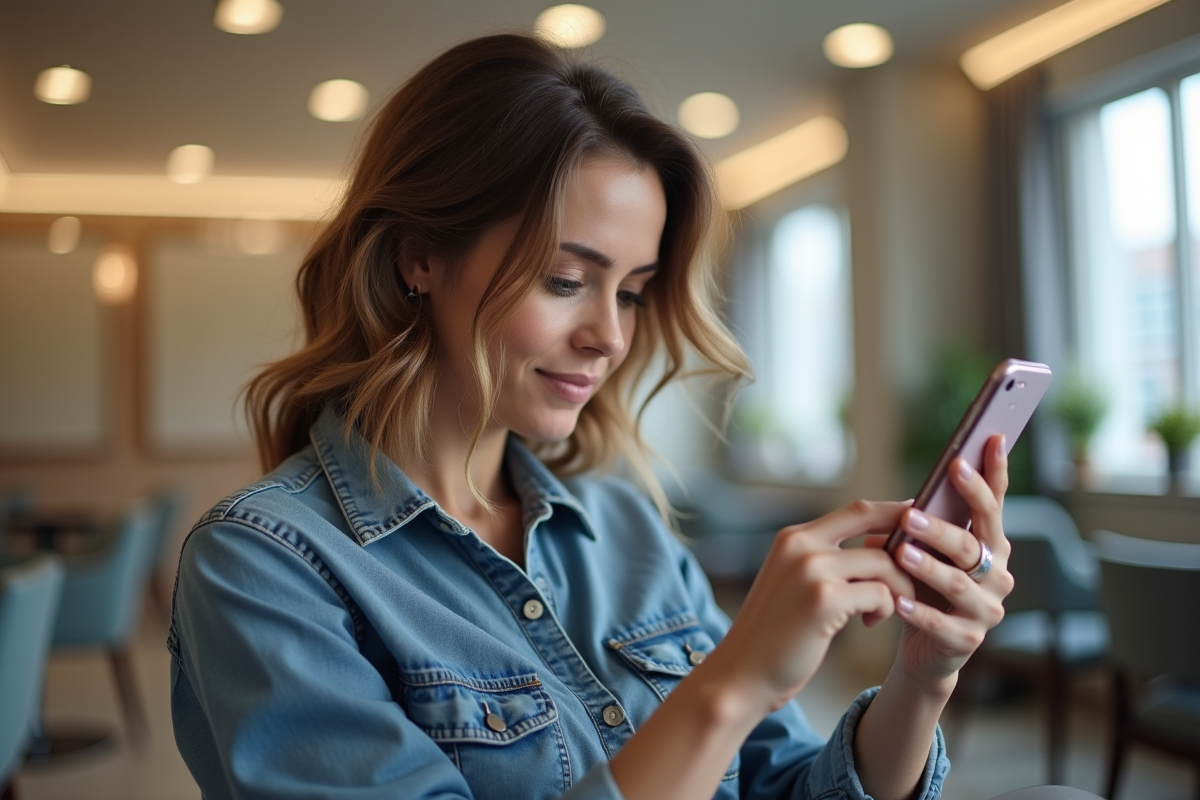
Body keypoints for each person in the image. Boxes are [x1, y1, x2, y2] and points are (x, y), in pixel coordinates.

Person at [169, 32, 1013, 800]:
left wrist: (922, 679)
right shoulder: (263, 566)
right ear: (417, 257)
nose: (609, 337)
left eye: (634, 293)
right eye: (566, 281)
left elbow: (786, 787)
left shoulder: (623, 526)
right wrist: (735, 684)